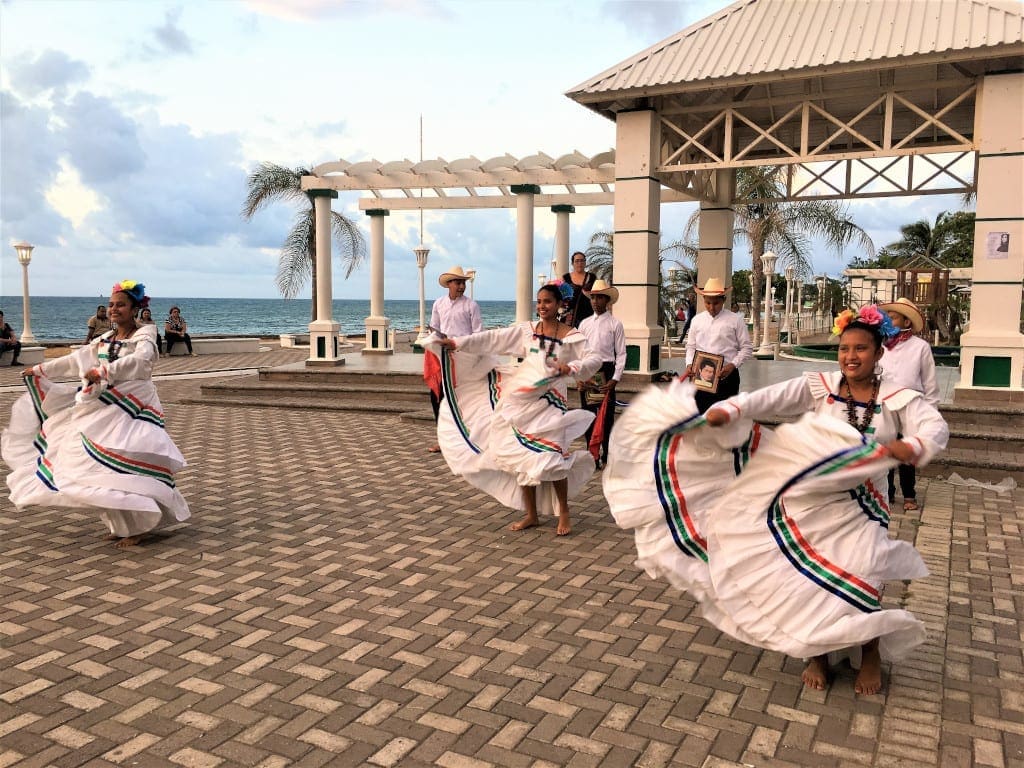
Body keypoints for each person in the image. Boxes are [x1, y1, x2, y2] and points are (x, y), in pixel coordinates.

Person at [703, 305, 948, 694]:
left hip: (866, 503)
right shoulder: (823, 385)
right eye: (844, 348)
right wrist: (732, 407)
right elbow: (772, 398)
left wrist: (912, 444)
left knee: (866, 572)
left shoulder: (898, 397)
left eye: (861, 349)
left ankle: (869, 652)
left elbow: (933, 425)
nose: (850, 357)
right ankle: (817, 651)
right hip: (816, 501)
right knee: (812, 579)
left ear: (879, 353)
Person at [1, 280, 190, 548]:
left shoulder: (145, 335)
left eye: (121, 305)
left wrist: (104, 372)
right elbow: (75, 361)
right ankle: (120, 525)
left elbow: (141, 362)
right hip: (103, 405)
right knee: (95, 464)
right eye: (112, 305)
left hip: (134, 407)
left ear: (135, 308)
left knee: (127, 459)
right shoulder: (105, 339)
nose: (114, 309)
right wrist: (41, 370)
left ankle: (140, 522)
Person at [432, 281, 601, 536]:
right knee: (520, 455)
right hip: (522, 397)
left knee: (552, 456)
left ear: (558, 305)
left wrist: (572, 368)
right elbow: (494, 338)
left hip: (550, 399)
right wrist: (457, 343)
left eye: (547, 302)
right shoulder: (528, 331)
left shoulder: (571, 335)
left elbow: (594, 358)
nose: (542, 306)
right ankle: (531, 513)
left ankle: (563, 510)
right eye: (540, 301)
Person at [877, 298, 939, 512]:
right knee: (885, 451)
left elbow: (930, 383)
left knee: (906, 454)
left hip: (910, 407)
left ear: (906, 322)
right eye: (888, 316)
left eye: (893, 317)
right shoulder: (880, 346)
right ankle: (888, 493)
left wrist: (930, 411)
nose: (889, 320)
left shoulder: (920, 347)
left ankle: (909, 494)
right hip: (884, 407)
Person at [424, 266, 483, 453]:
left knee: (462, 400)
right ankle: (443, 439)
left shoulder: (471, 305)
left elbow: (478, 334)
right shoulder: (438, 304)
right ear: (449, 284)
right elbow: (434, 328)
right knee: (438, 397)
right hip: (442, 357)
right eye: (458, 282)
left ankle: (465, 440)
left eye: (463, 282)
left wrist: (460, 345)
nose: (461, 286)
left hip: (464, 358)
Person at [577, 280, 626, 470]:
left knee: (606, 418)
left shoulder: (615, 324)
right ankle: (592, 455)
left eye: (599, 297)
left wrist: (615, 379)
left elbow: (621, 354)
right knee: (588, 416)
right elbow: (578, 352)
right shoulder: (584, 324)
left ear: (607, 300)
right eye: (593, 297)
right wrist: (580, 377)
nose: (595, 301)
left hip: (606, 371)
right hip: (589, 371)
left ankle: (607, 456)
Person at [685, 277, 753, 413]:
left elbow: (747, 348)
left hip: (727, 378)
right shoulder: (697, 320)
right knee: (700, 417)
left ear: (723, 300)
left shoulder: (735, 320)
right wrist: (689, 364)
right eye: (708, 303)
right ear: (703, 300)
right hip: (700, 378)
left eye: (716, 303)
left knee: (725, 418)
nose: (711, 307)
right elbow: (691, 346)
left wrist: (732, 365)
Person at [562, 251, 597, 328]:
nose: (579, 263)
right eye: (577, 261)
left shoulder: (592, 277)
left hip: (589, 314)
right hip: (571, 317)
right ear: (572, 263)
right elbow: (562, 297)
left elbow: (596, 295)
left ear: (585, 262)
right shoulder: (566, 278)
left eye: (582, 260)